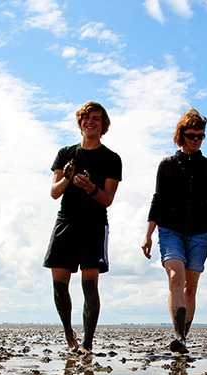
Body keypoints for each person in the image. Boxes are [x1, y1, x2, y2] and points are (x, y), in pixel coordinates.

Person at [142, 109, 207, 355]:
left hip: (200, 233)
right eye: (192, 135)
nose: (197, 140)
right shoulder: (167, 165)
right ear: (181, 136)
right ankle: (178, 336)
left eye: (201, 136)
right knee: (176, 278)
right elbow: (157, 201)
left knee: (190, 287)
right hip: (170, 231)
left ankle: (183, 339)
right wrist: (147, 234)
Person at [45, 101, 122, 354]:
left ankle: (87, 343)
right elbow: (54, 193)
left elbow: (108, 198)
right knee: (59, 286)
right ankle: (69, 333)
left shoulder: (111, 158)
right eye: (87, 118)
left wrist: (90, 187)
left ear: (103, 125)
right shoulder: (65, 153)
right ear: (80, 123)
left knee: (90, 286)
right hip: (65, 222)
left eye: (97, 118)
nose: (91, 122)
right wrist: (67, 178)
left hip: (93, 225)